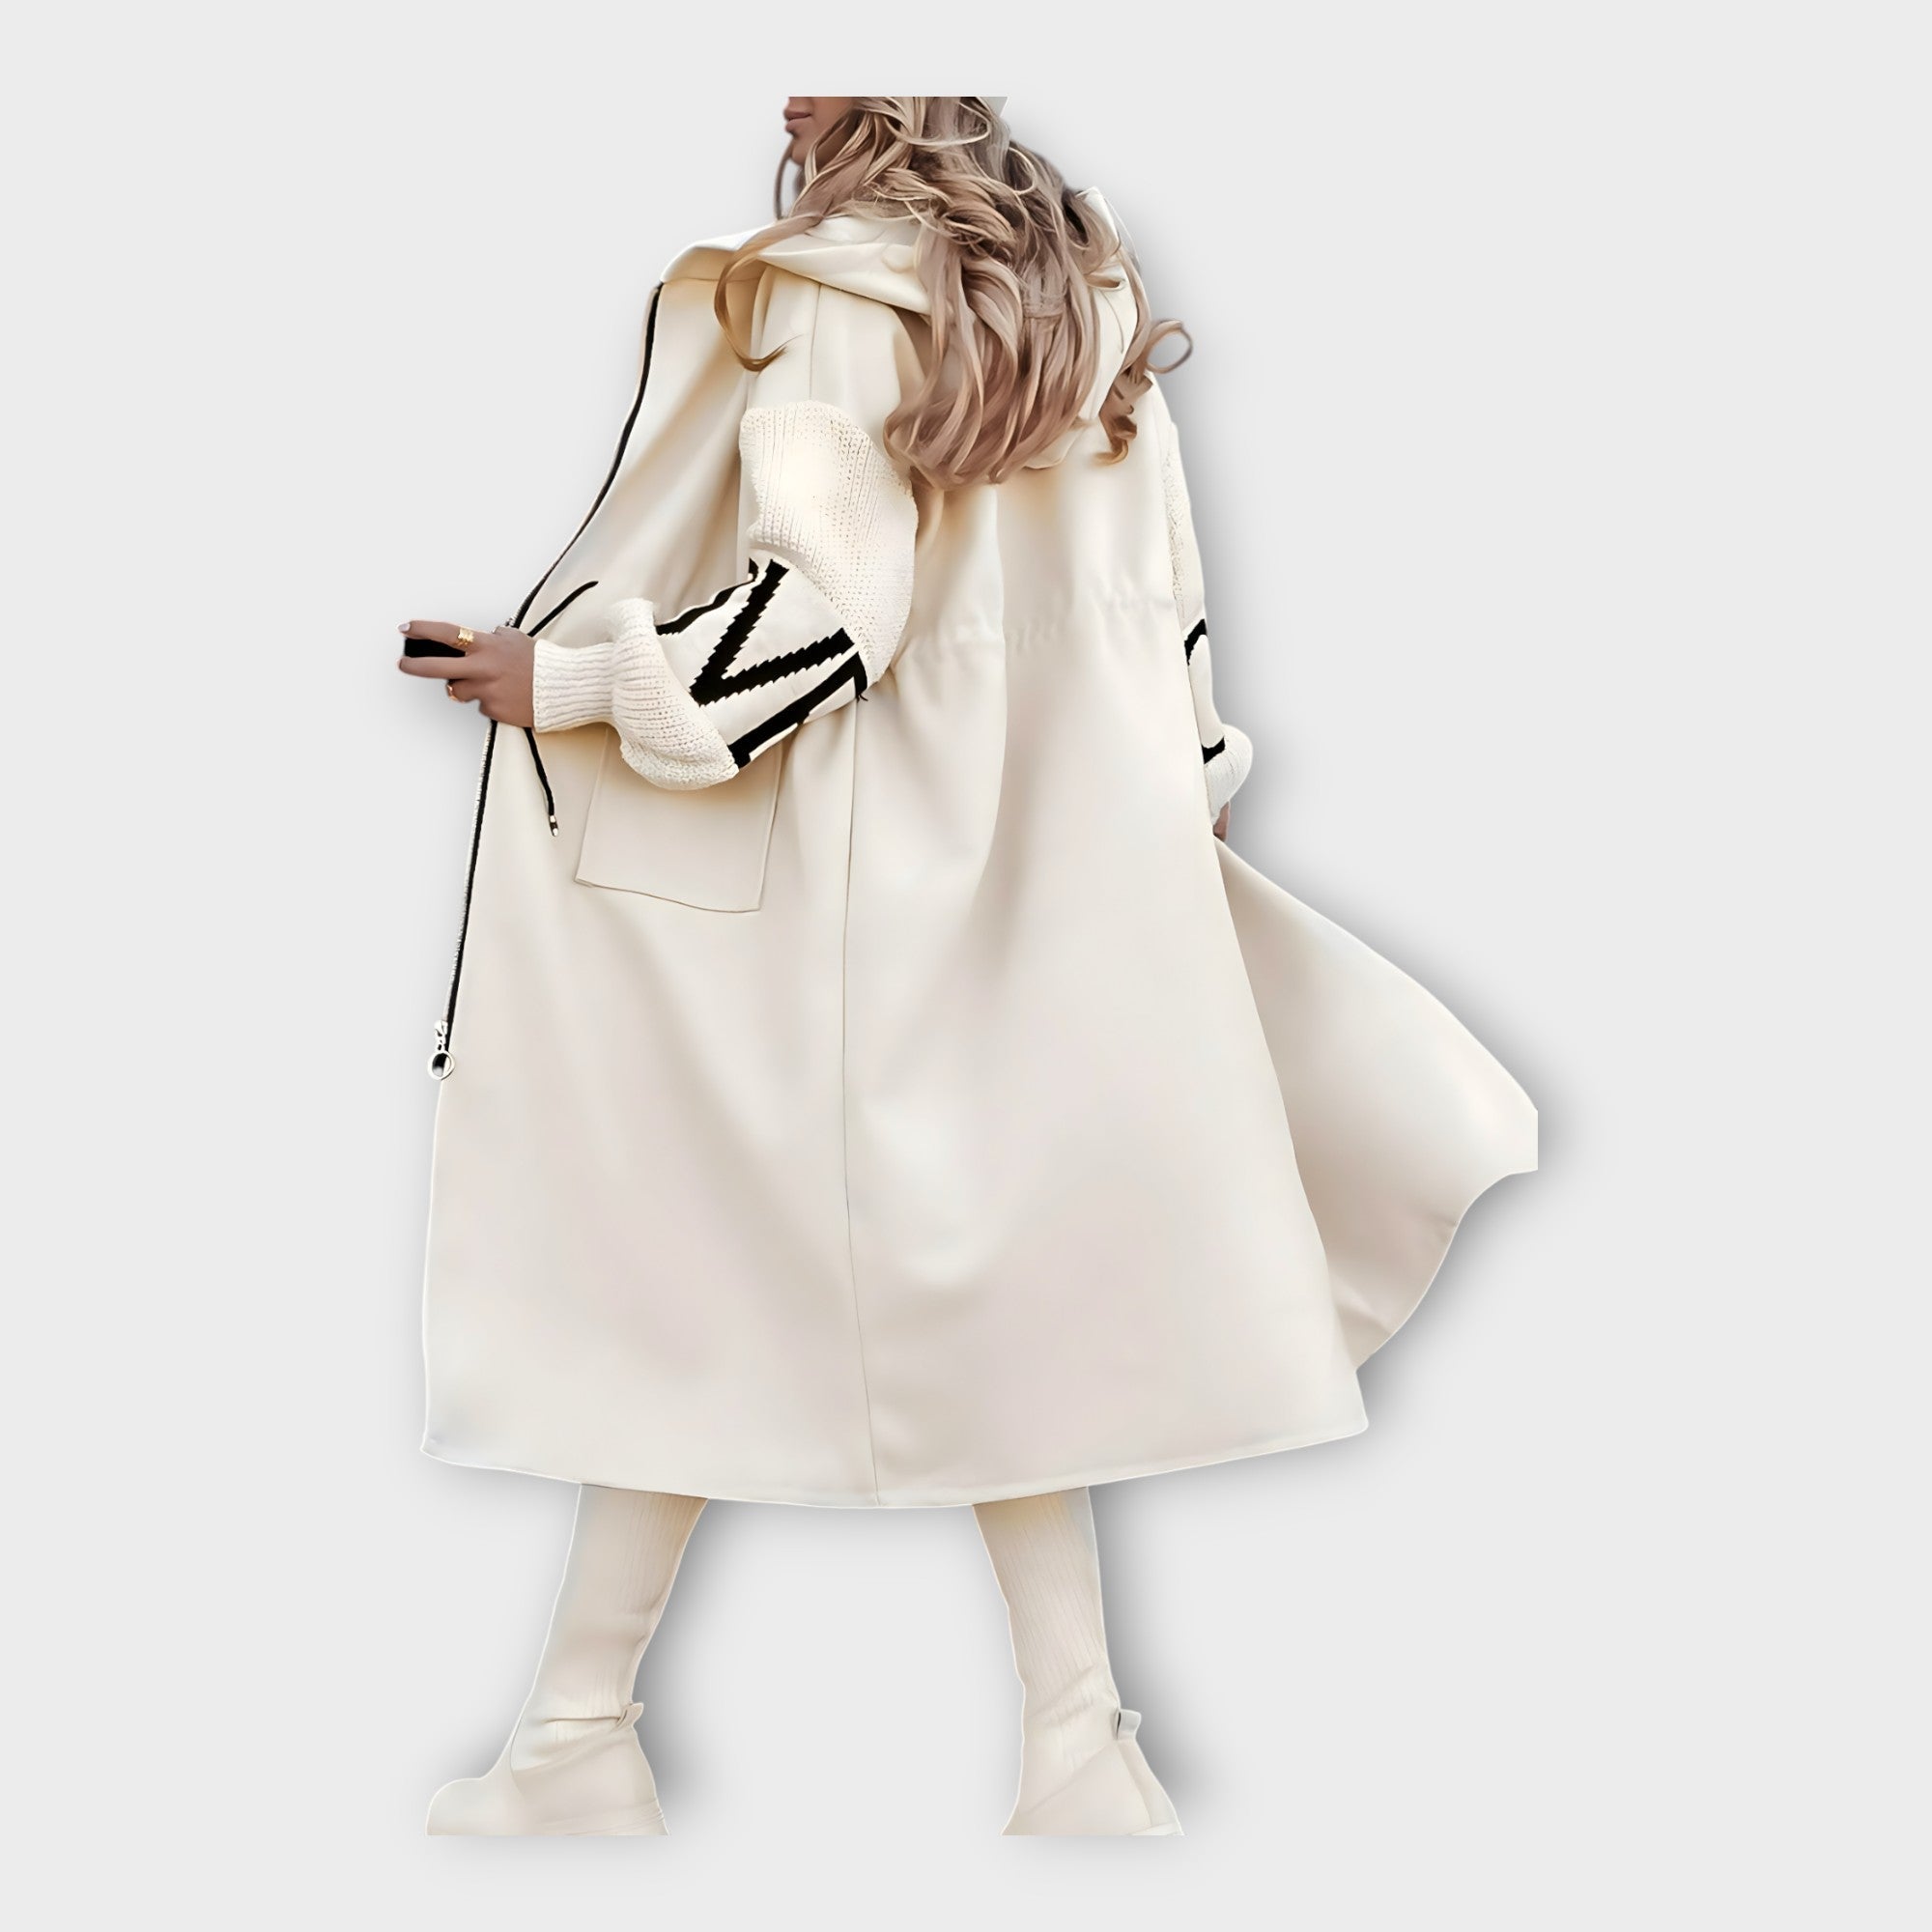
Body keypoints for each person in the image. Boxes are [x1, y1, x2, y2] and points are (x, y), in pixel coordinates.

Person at [397, 95, 1535, 1838]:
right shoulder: (1078, 284)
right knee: (1009, 1294)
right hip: (1065, 850)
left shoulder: (831, 294)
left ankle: (579, 1741)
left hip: (853, 865)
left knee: (686, 1262)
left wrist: (571, 682)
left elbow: (827, 619)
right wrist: (1191, 784)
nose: (780, 94)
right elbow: (1169, 599)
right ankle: (1075, 1748)